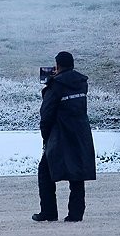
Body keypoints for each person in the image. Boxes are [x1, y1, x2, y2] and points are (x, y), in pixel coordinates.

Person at [33, 51, 97, 223]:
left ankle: (49, 211)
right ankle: (76, 214)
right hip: (81, 132)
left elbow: (46, 115)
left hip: (60, 134)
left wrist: (46, 138)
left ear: (57, 66)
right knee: (77, 174)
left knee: (45, 171)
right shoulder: (82, 83)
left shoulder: (55, 85)